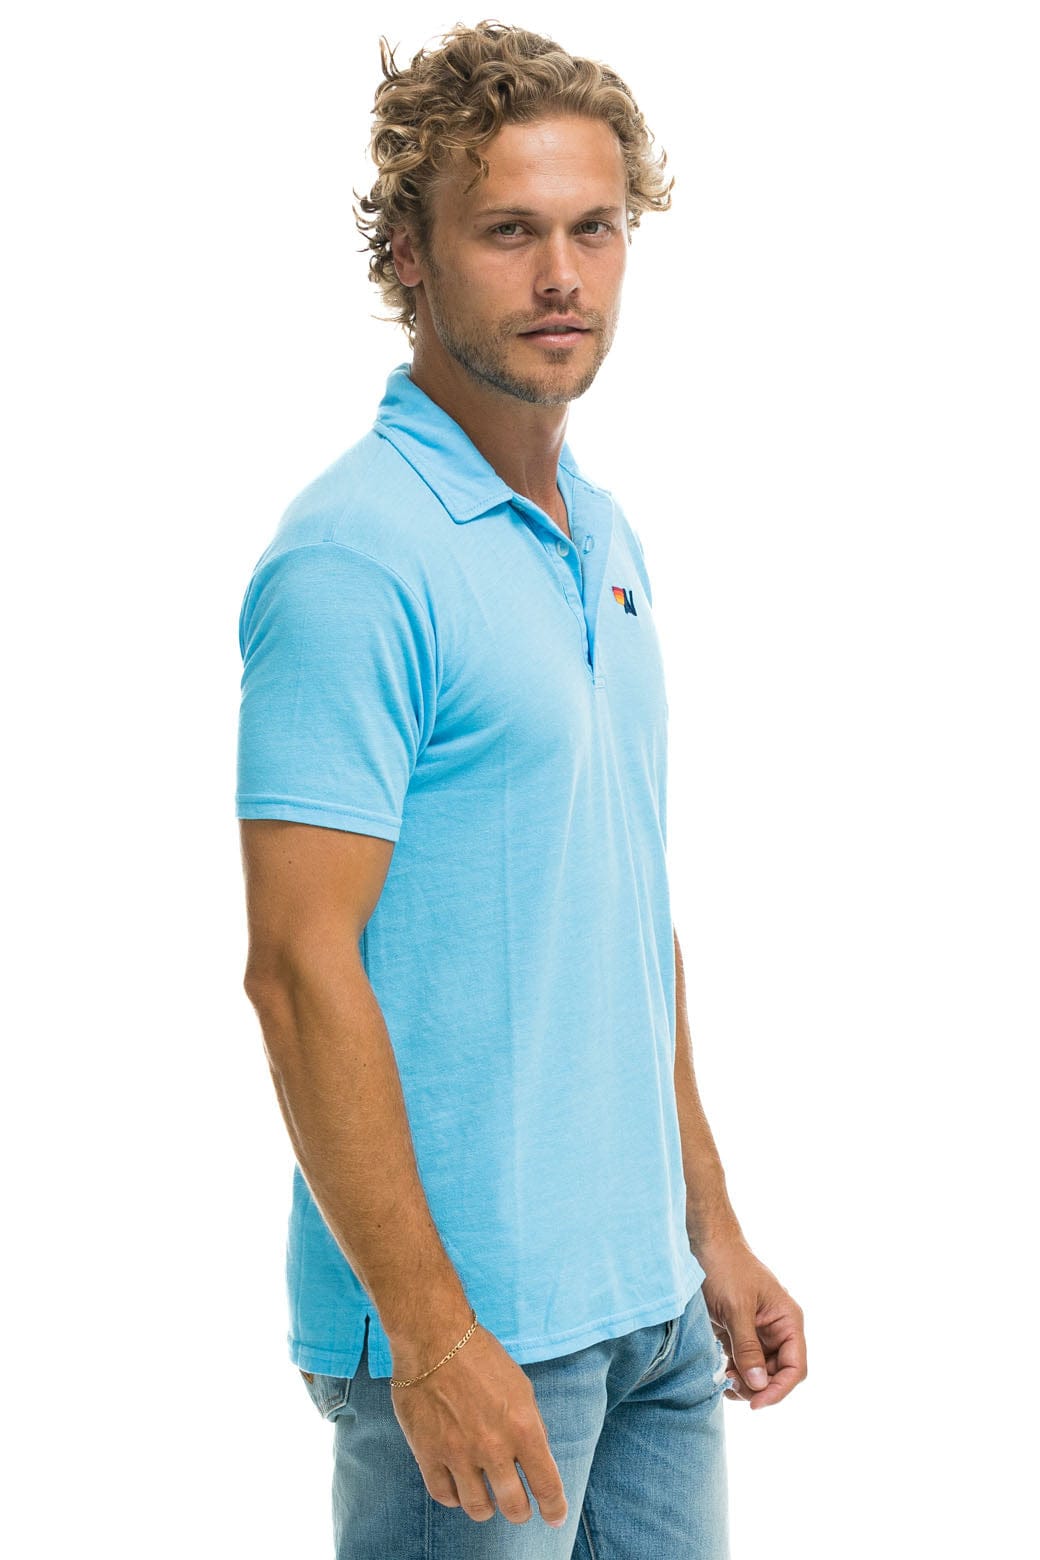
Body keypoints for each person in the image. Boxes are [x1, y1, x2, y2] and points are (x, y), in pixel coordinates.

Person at [235, 19, 806, 1558]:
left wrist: (708, 1229)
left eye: (594, 228)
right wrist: (431, 1336)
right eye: (509, 232)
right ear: (409, 258)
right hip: (475, 1330)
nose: (563, 275)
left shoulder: (600, 534)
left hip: (650, 1314)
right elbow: (296, 967)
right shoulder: (357, 556)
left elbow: (621, 904)